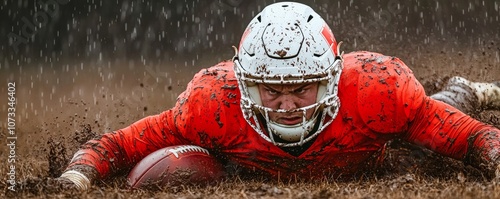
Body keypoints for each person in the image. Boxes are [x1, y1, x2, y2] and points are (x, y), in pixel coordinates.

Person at [53, 2, 500, 190]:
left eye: (301, 88)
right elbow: (120, 145)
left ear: (331, 78)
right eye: (272, 90)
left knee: (425, 133)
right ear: (245, 83)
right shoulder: (214, 102)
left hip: (376, 154)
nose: (287, 106)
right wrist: (76, 176)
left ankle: (463, 89)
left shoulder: (375, 89)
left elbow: (471, 138)